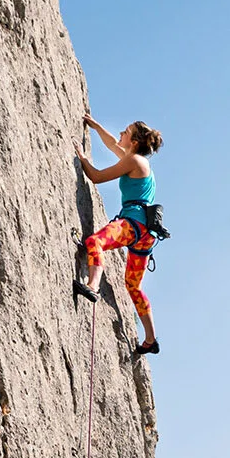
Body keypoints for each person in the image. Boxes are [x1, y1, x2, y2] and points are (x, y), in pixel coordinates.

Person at [74, 113, 163, 354]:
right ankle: (150, 339)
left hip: (132, 225)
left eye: (126, 131)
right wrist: (96, 126)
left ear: (134, 142)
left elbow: (96, 177)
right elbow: (113, 143)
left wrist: (82, 158)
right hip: (146, 235)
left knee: (95, 242)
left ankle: (92, 285)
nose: (121, 133)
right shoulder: (137, 161)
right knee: (133, 285)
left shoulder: (133, 160)